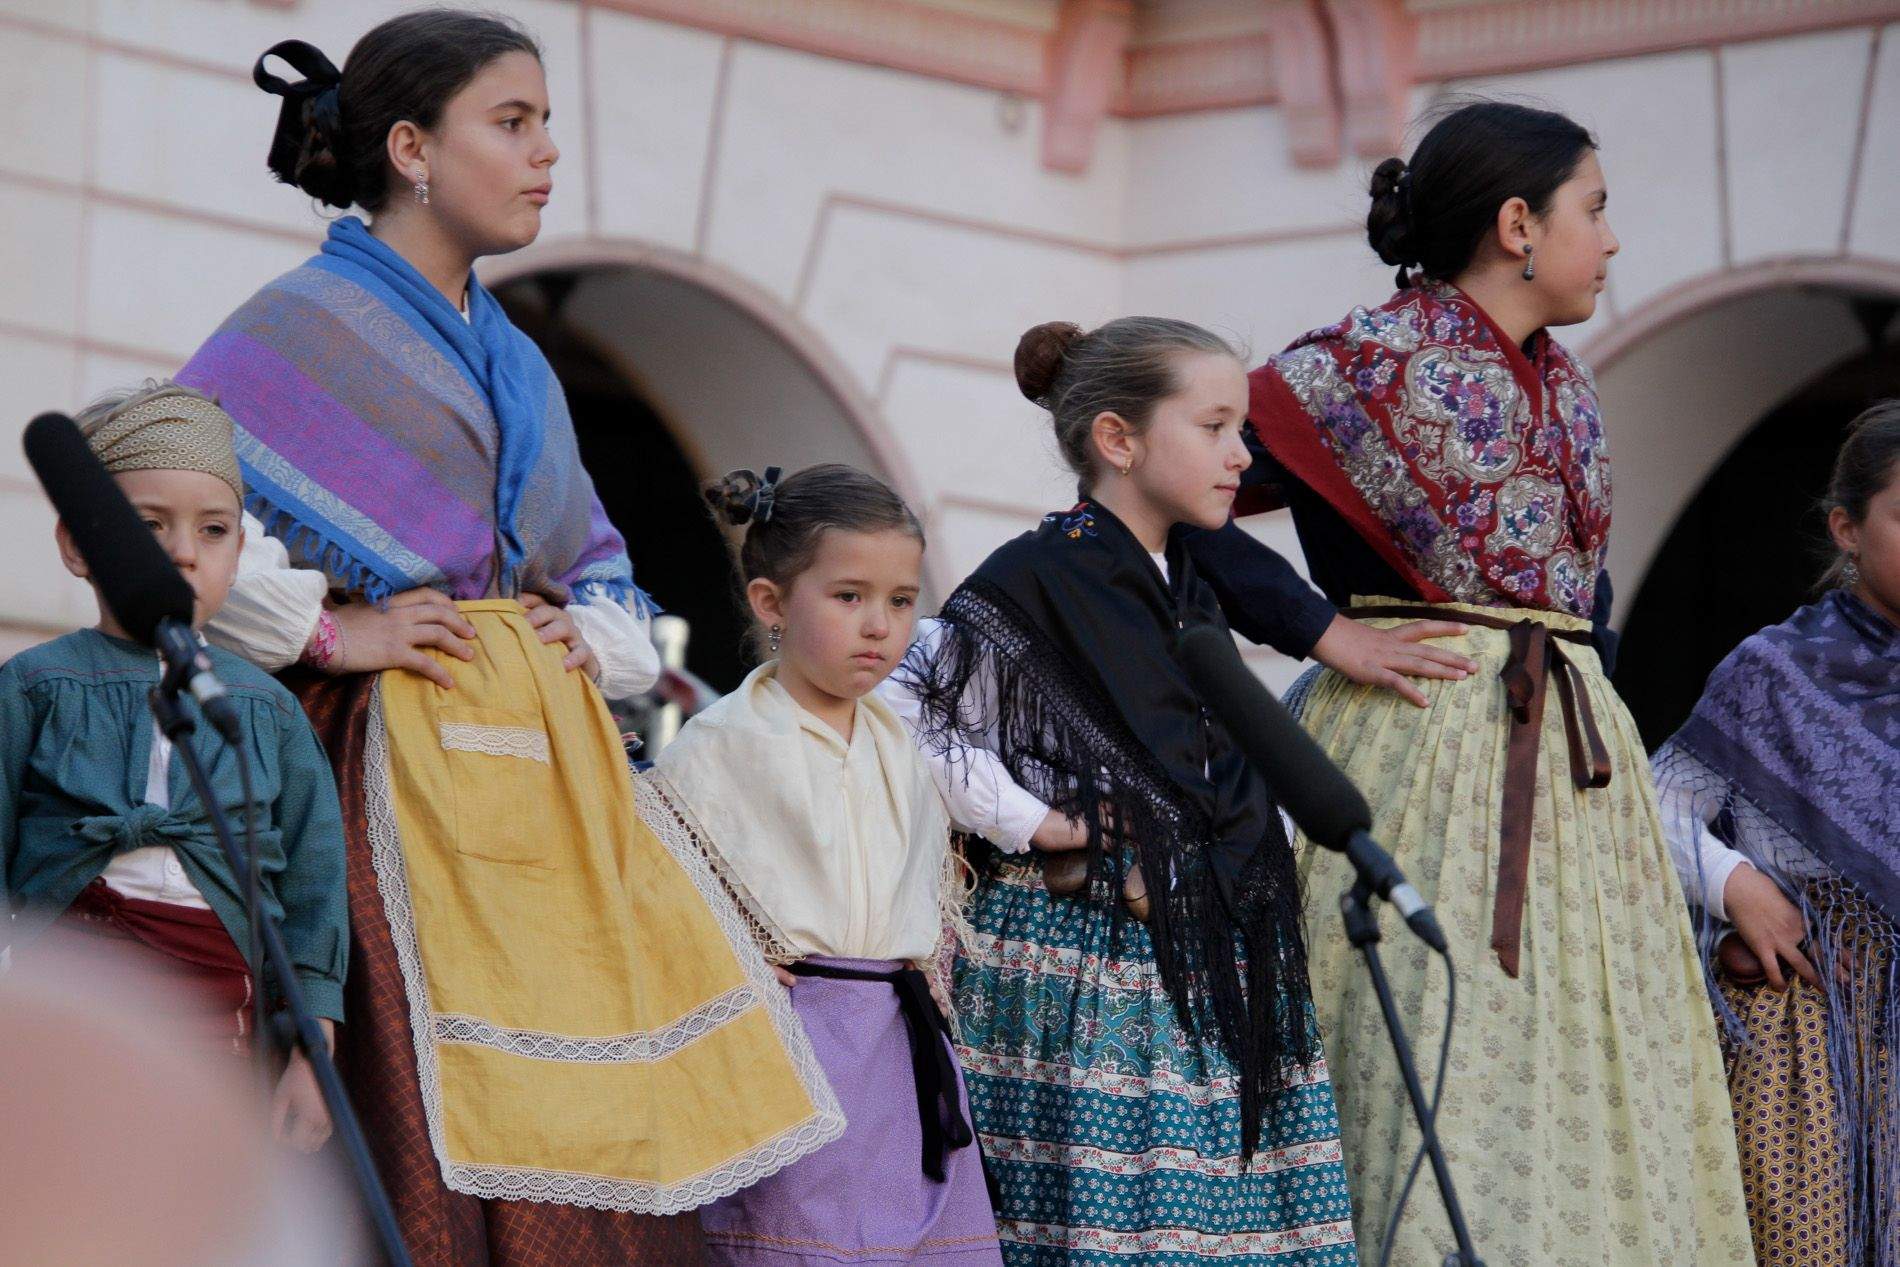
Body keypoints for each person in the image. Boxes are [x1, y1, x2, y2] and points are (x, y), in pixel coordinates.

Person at [175, 13, 839, 1263]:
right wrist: (331, 627)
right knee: (418, 1119)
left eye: (549, 127)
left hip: (547, 785)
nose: (545, 155)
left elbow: (598, 565)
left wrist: (593, 632)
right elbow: (165, 495)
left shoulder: (521, 362)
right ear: (414, 147)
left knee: (587, 1124)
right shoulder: (298, 323)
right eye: (514, 123)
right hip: (385, 775)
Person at [1183, 100, 1753, 1264]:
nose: (1610, 237)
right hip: (1420, 756)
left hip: (1576, 785)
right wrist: (1317, 630)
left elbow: (1572, 606)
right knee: (1427, 1069)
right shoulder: (1350, 370)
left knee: (1590, 1070)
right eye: (1593, 209)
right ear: (1515, 225)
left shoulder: (1570, 386)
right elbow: (1156, 493)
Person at [892, 318, 1358, 1265]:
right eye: (1217, 426)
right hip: (1095, 975)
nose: (1241, 455)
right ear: (1119, 439)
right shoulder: (1035, 577)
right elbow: (910, 717)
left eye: (1243, 429)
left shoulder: (1184, 578)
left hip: (1211, 962)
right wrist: (1041, 823)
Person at [641, 464, 1001, 1265]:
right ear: (772, 603)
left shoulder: (901, 744)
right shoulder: (723, 744)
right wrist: (723, 962)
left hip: (900, 1050)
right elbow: (664, 902)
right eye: (848, 597)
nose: (879, 624)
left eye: (901, 601)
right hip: (788, 1050)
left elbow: (925, 906)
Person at [0, 383, 345, 1155]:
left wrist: (312, 1055)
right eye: (147, 526)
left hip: (220, 1019)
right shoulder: (33, 686)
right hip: (67, 1009)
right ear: (78, 544)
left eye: (214, 529)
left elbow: (315, 894)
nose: (183, 550)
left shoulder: (264, 709)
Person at [1652, 401, 1900, 1267]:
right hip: (1811, 1034)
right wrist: (1736, 886)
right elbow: (1650, 810)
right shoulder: (1773, 670)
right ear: (1847, 528)